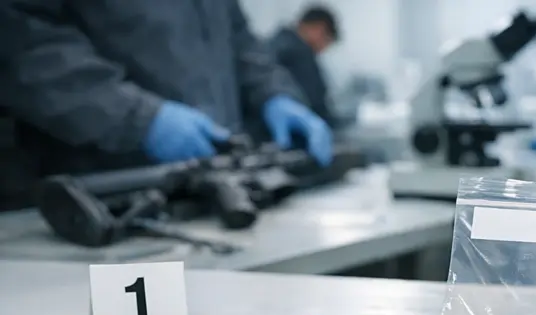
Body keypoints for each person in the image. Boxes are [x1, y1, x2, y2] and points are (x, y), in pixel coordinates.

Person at [0, 0, 334, 197]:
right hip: (104, 199)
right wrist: (140, 119)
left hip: (210, 194)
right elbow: (28, 46)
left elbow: (237, 37)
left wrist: (274, 94)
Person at [270, 5, 339, 128]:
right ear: (319, 28)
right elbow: (316, 102)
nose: (324, 48)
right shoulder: (300, 53)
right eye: (327, 40)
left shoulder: (275, 44)